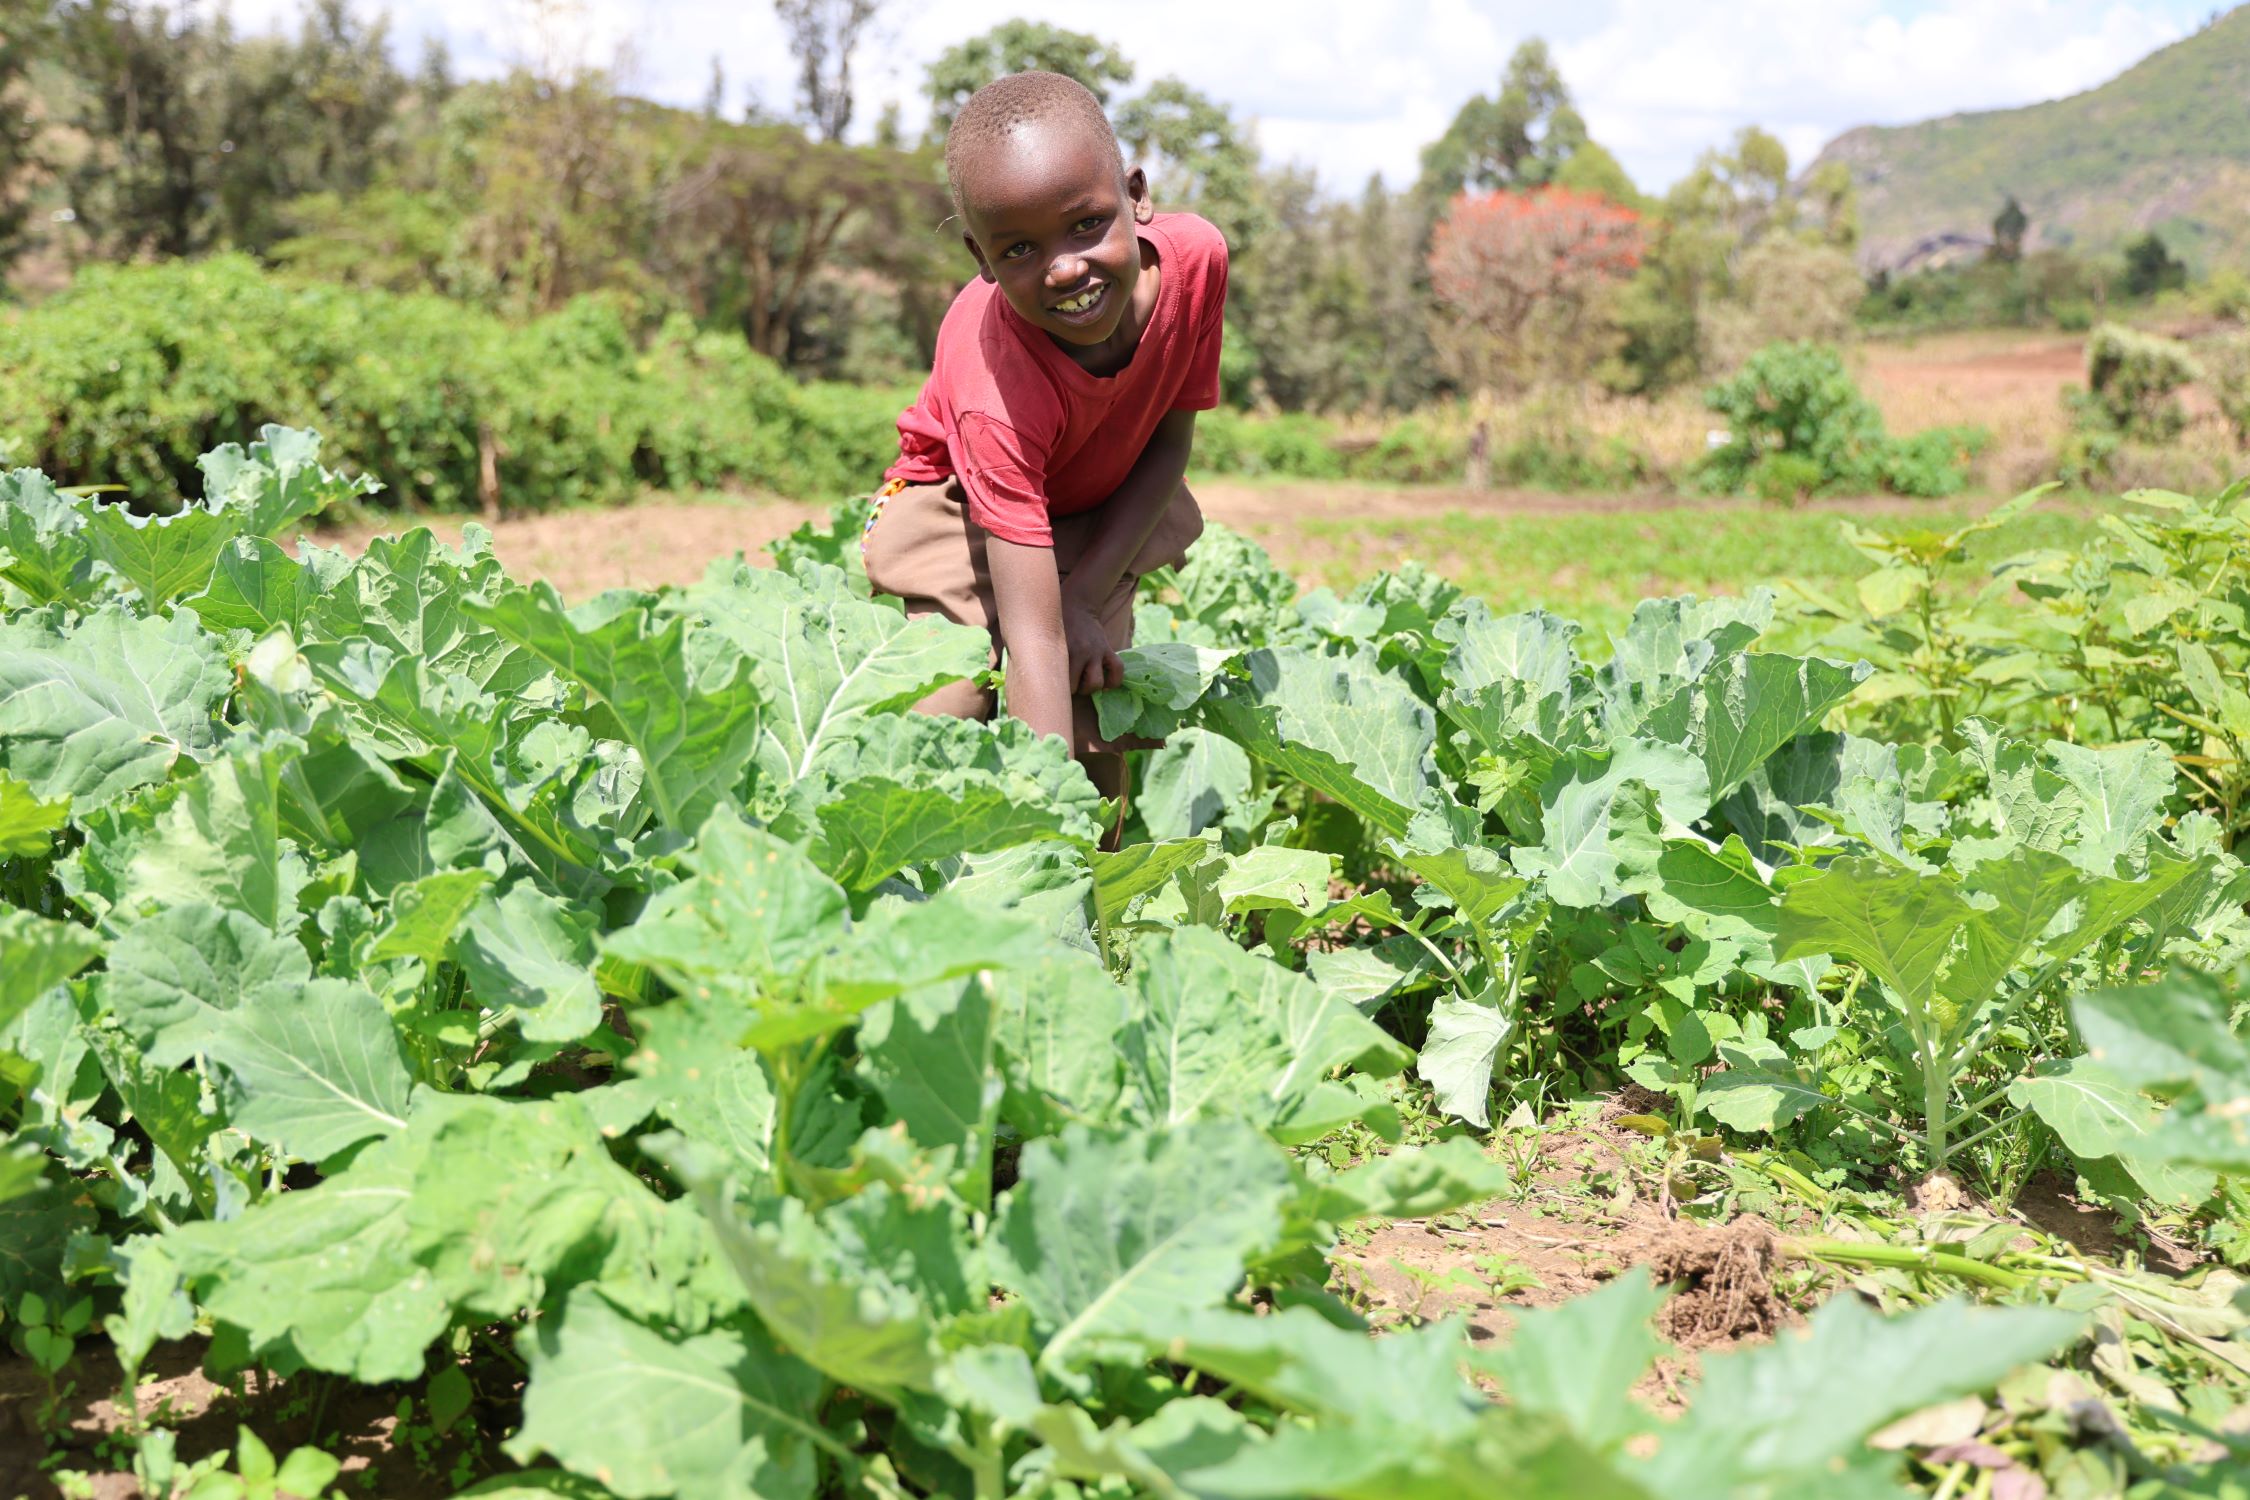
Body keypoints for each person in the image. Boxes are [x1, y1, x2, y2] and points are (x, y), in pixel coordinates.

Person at [861, 69, 1225, 825]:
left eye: (1088, 224)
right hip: (957, 506)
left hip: (1095, 499)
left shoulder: (1198, 265)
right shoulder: (997, 387)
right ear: (981, 258)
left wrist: (1084, 598)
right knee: (950, 707)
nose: (1064, 268)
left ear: (1136, 195)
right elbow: (1033, 638)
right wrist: (1039, 851)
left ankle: (1090, 914)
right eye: (1020, 249)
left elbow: (1169, 438)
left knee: (1092, 724)